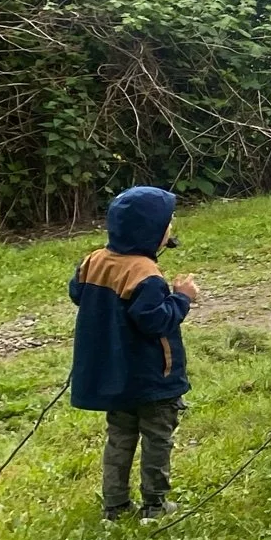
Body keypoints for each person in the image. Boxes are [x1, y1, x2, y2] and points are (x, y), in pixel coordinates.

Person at [67, 185, 198, 522]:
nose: (171, 229)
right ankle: (155, 504)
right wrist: (182, 297)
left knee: (120, 437)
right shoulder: (145, 275)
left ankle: (115, 505)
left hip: (114, 375)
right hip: (151, 377)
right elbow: (155, 322)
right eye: (168, 223)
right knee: (157, 439)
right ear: (151, 231)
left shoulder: (93, 261)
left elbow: (77, 292)